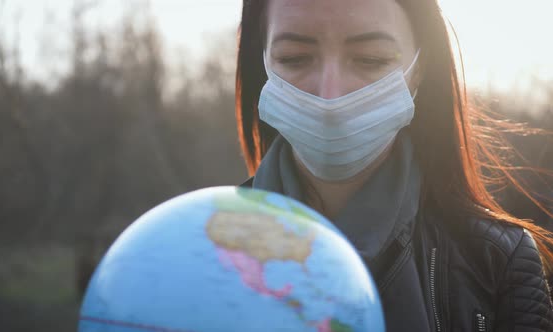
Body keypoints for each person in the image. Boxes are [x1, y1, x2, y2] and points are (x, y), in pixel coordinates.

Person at [235, 0, 553, 331]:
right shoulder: (196, 243)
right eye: (294, 58)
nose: (330, 95)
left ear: (420, 68)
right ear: (263, 63)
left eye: (371, 59)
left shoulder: (496, 260)